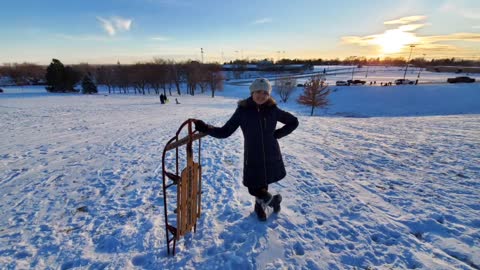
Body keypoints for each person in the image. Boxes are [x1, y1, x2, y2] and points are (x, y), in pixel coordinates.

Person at [194, 78, 299, 221]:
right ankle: (273, 201)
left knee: (263, 183)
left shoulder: (273, 110)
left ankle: (259, 207)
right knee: (253, 187)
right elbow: (225, 131)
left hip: (271, 154)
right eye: (258, 92)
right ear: (252, 92)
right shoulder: (243, 111)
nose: (261, 96)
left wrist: (278, 134)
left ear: (268, 94)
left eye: (265, 93)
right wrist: (206, 128)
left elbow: (293, 122)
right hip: (253, 155)